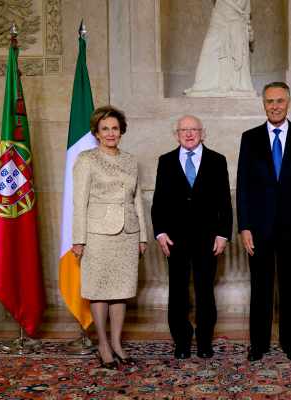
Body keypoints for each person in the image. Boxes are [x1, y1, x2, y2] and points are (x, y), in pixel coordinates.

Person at [236, 82, 291, 362]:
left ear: (289, 102)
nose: (275, 106)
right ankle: (258, 344)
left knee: (289, 287)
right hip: (258, 228)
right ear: (263, 103)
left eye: (280, 101)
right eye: (270, 101)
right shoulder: (250, 138)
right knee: (260, 287)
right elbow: (243, 186)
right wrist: (244, 226)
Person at [151, 115, 233, 359]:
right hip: (174, 239)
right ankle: (182, 342)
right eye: (184, 130)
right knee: (177, 291)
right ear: (176, 134)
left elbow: (224, 203)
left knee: (205, 290)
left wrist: (223, 234)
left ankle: (205, 341)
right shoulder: (165, 161)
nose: (189, 134)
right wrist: (160, 232)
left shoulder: (217, 160)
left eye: (194, 129)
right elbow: (159, 202)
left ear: (202, 133)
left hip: (207, 238)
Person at [72, 105, 147, 369]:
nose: (111, 133)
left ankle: (117, 343)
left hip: (128, 233)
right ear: (96, 132)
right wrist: (78, 239)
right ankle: (102, 344)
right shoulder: (86, 159)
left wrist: (143, 235)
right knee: (99, 290)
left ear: (121, 131)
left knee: (121, 292)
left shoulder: (130, 159)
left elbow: (137, 197)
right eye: (105, 129)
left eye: (115, 128)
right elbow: (79, 202)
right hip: (98, 235)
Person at [184, 0, 256, 97]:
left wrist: (247, 28)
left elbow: (247, 13)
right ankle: (202, 86)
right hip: (220, 16)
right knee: (209, 50)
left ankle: (235, 85)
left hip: (237, 19)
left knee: (236, 55)